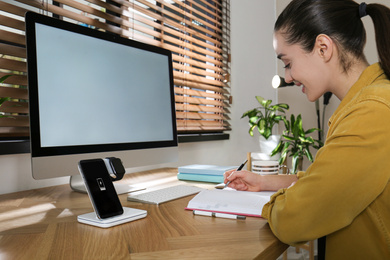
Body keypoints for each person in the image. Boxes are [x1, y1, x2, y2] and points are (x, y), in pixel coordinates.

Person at [224, 1, 390, 259]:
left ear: (323, 48)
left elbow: (294, 221)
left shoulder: (373, 111)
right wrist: (265, 182)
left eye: (288, 63)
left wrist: (271, 205)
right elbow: (327, 180)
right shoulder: (365, 104)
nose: (287, 77)